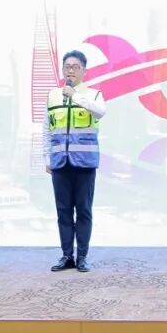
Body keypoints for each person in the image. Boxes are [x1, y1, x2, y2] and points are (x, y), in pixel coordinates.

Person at [44, 50, 106, 273]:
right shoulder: (52, 95)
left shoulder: (93, 95)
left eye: (75, 67)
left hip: (84, 162)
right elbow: (46, 128)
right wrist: (46, 157)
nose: (70, 70)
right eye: (67, 67)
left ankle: (82, 257)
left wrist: (74, 96)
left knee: (84, 211)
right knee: (63, 211)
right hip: (60, 162)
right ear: (62, 70)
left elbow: (100, 112)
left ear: (83, 70)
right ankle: (66, 256)